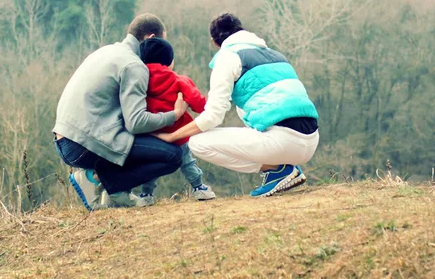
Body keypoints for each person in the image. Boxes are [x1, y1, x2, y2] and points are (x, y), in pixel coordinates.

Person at [154, 13, 319, 198]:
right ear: (241, 30)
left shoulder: (227, 57)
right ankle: (279, 169)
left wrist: (171, 136)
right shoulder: (276, 55)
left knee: (198, 143)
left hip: (282, 142)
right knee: (244, 108)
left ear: (214, 42)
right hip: (311, 141)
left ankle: (276, 170)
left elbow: (213, 116)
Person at [53, 14, 187, 210]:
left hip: (66, 139)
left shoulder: (107, 51)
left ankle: (114, 192)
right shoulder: (134, 65)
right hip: (82, 145)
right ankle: (97, 180)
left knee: (143, 144)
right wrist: (173, 116)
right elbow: (136, 122)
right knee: (173, 156)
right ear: (150, 39)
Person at [135, 37, 215, 206]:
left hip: (151, 133)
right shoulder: (179, 80)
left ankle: (146, 195)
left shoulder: (139, 82)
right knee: (187, 162)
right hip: (178, 133)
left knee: (152, 164)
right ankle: (199, 188)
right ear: (169, 61)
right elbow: (199, 104)